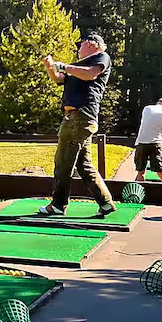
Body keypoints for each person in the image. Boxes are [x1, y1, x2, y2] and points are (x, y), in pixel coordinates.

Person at [37, 33, 115, 217]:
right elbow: (58, 79)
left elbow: (90, 75)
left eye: (80, 46)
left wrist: (64, 66)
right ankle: (105, 203)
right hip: (78, 119)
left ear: (91, 44)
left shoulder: (101, 57)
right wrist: (50, 66)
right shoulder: (77, 66)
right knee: (83, 164)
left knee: (63, 162)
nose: (78, 49)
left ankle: (58, 205)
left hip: (79, 118)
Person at [132, 98, 162, 184]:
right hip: (156, 143)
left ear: (158, 103)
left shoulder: (147, 108)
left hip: (141, 142)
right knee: (161, 172)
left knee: (141, 171)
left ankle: (140, 191)